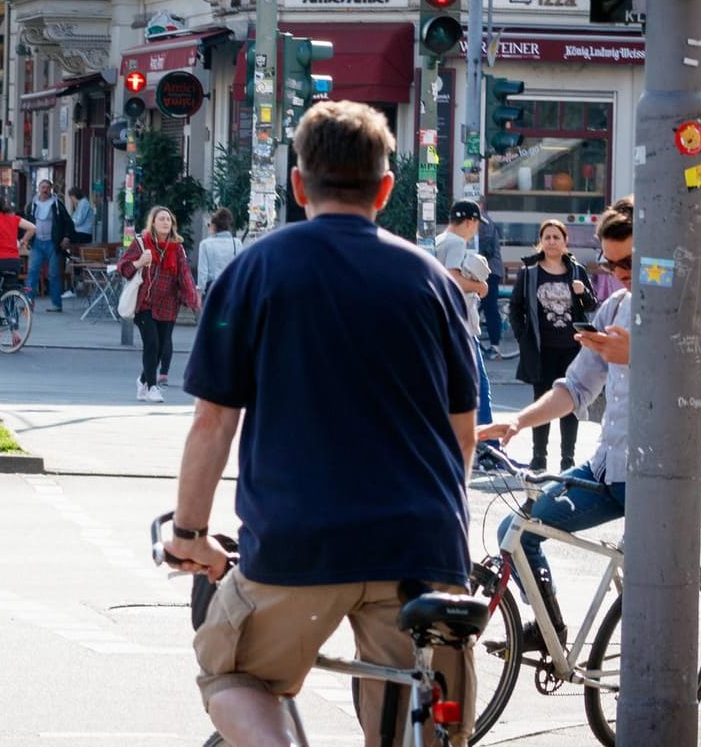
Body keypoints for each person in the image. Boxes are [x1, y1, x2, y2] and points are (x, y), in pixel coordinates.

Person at [163, 100, 476, 747]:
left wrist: (191, 534)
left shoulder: (257, 270)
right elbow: (462, 432)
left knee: (231, 672)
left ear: (298, 184)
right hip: (422, 550)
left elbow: (213, 423)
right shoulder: (432, 282)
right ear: (385, 189)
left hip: (300, 543)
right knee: (422, 716)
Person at [479, 196, 701, 654]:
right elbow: (575, 388)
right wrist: (517, 422)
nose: (620, 272)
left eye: (629, 261)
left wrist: (638, 355)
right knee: (516, 530)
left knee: (643, 582)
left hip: (659, 478)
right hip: (607, 467)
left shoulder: (691, 308)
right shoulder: (613, 309)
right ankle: (547, 628)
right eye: (610, 263)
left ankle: (651, 679)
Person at [507, 220, 598, 471]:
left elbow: (591, 306)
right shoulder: (529, 272)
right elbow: (515, 308)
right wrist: (522, 336)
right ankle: (539, 457)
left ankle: (567, 459)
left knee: (571, 402)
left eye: (556, 237)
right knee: (542, 403)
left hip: (572, 349)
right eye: (547, 237)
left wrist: (582, 293)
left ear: (565, 240)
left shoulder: (577, 271)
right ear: (541, 241)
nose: (551, 242)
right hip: (541, 349)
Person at [118, 206, 198, 402]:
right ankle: (152, 387)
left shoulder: (177, 248)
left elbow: (184, 276)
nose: (165, 222)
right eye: (161, 219)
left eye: (168, 220)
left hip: (168, 305)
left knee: (162, 348)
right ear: (153, 222)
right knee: (152, 343)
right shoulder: (141, 243)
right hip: (145, 303)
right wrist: (139, 262)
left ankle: (143, 380)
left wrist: (193, 301)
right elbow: (123, 268)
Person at [434, 200, 495, 433]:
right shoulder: (457, 243)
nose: (476, 229)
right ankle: (488, 445)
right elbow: (453, 279)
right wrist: (481, 287)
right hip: (462, 325)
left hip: (442, 324)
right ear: (470, 222)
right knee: (478, 387)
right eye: (477, 224)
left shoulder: (437, 241)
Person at [0, 195, 35, 351]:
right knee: (10, 296)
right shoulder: (14, 219)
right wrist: (23, 241)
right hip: (14, 262)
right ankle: (15, 332)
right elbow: (32, 228)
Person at [26, 179, 73, 312]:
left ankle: (56, 304)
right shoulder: (32, 205)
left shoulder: (57, 204)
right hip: (36, 243)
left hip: (52, 243)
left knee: (54, 274)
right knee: (32, 274)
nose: (45, 190)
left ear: (50, 189)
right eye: (43, 187)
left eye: (47, 187)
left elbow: (67, 222)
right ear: (38, 188)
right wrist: (26, 239)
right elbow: (26, 222)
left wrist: (66, 237)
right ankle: (28, 302)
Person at [476, 206, 507, 361]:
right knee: (484, 306)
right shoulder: (483, 220)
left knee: (490, 307)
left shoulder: (484, 221)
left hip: (489, 270)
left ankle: (495, 347)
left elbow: (481, 245)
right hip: (486, 269)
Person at [195, 207, 241, 301]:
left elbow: (203, 272)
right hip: (231, 288)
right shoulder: (237, 243)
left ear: (214, 226)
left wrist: (199, 294)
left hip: (212, 289)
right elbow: (240, 268)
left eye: (209, 225)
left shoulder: (205, 244)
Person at [59, 188, 96, 301]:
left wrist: (67, 223)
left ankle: (74, 287)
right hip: (82, 233)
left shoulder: (83, 203)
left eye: (71, 198)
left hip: (81, 234)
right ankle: (75, 284)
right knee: (75, 258)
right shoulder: (82, 204)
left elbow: (78, 220)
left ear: (74, 196)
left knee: (75, 258)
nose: (71, 201)